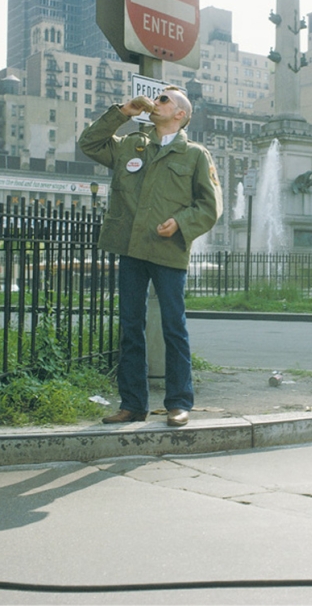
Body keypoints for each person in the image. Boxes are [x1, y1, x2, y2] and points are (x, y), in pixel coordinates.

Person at [79, 86, 223, 427]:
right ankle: (132, 404)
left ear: (180, 115)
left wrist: (181, 223)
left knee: (174, 328)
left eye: (164, 99)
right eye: (156, 97)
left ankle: (178, 403)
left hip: (168, 250)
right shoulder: (131, 144)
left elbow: (210, 205)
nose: (155, 102)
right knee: (131, 328)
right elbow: (90, 143)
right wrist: (122, 113)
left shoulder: (195, 155)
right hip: (131, 248)